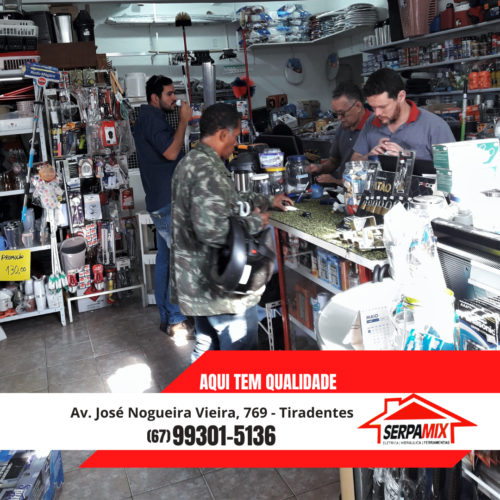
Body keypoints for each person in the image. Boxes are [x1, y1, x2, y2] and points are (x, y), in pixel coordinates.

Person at [170, 103, 293, 362]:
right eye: (235, 136)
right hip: (218, 287)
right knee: (239, 354)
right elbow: (212, 230)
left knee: (207, 347)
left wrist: (268, 200)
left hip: (199, 284)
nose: (236, 144)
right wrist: (255, 222)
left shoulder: (193, 162)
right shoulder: (206, 170)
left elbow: (229, 200)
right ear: (223, 134)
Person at [132, 75, 194, 340]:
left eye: (174, 93)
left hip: (163, 200)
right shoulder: (152, 119)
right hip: (168, 202)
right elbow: (170, 152)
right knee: (179, 261)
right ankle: (176, 319)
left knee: (165, 261)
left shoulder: (150, 118)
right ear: (154, 97)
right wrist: (183, 121)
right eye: (169, 94)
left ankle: (167, 317)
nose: (174, 98)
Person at [351, 68, 455, 162]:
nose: (377, 113)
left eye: (383, 107)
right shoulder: (370, 123)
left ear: (401, 96)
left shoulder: (435, 126)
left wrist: (407, 158)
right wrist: (369, 156)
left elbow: (452, 169)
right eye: (373, 107)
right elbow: (354, 161)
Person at [310, 81, 371, 185]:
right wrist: (319, 169)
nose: (339, 118)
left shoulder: (374, 128)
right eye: (336, 113)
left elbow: (372, 177)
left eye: (342, 113)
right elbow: (334, 161)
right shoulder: (342, 128)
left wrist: (336, 181)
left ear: (358, 106)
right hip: (343, 191)